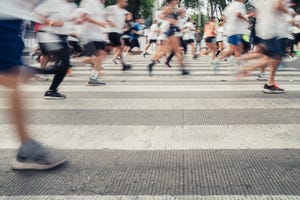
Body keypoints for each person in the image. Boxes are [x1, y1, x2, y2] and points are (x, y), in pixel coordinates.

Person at [0, 0, 66, 170]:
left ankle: (27, 147)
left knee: (12, 76)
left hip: (11, 17)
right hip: (5, 16)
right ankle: (27, 149)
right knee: (12, 77)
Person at [147, 0, 189, 76]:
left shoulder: (173, 8)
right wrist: (170, 20)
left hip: (172, 31)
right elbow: (160, 16)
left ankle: (152, 63)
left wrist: (177, 15)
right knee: (176, 50)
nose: (177, 1)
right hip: (171, 31)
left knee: (165, 50)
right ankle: (183, 69)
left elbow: (173, 18)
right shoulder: (169, 8)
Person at [106, 0, 132, 71]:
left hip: (118, 32)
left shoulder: (123, 11)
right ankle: (124, 64)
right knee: (120, 47)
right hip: (112, 31)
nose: (126, 3)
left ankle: (124, 65)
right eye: (124, 2)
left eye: (126, 2)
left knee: (119, 47)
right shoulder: (112, 8)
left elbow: (127, 18)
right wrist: (109, 21)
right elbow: (104, 16)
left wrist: (124, 25)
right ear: (119, 1)